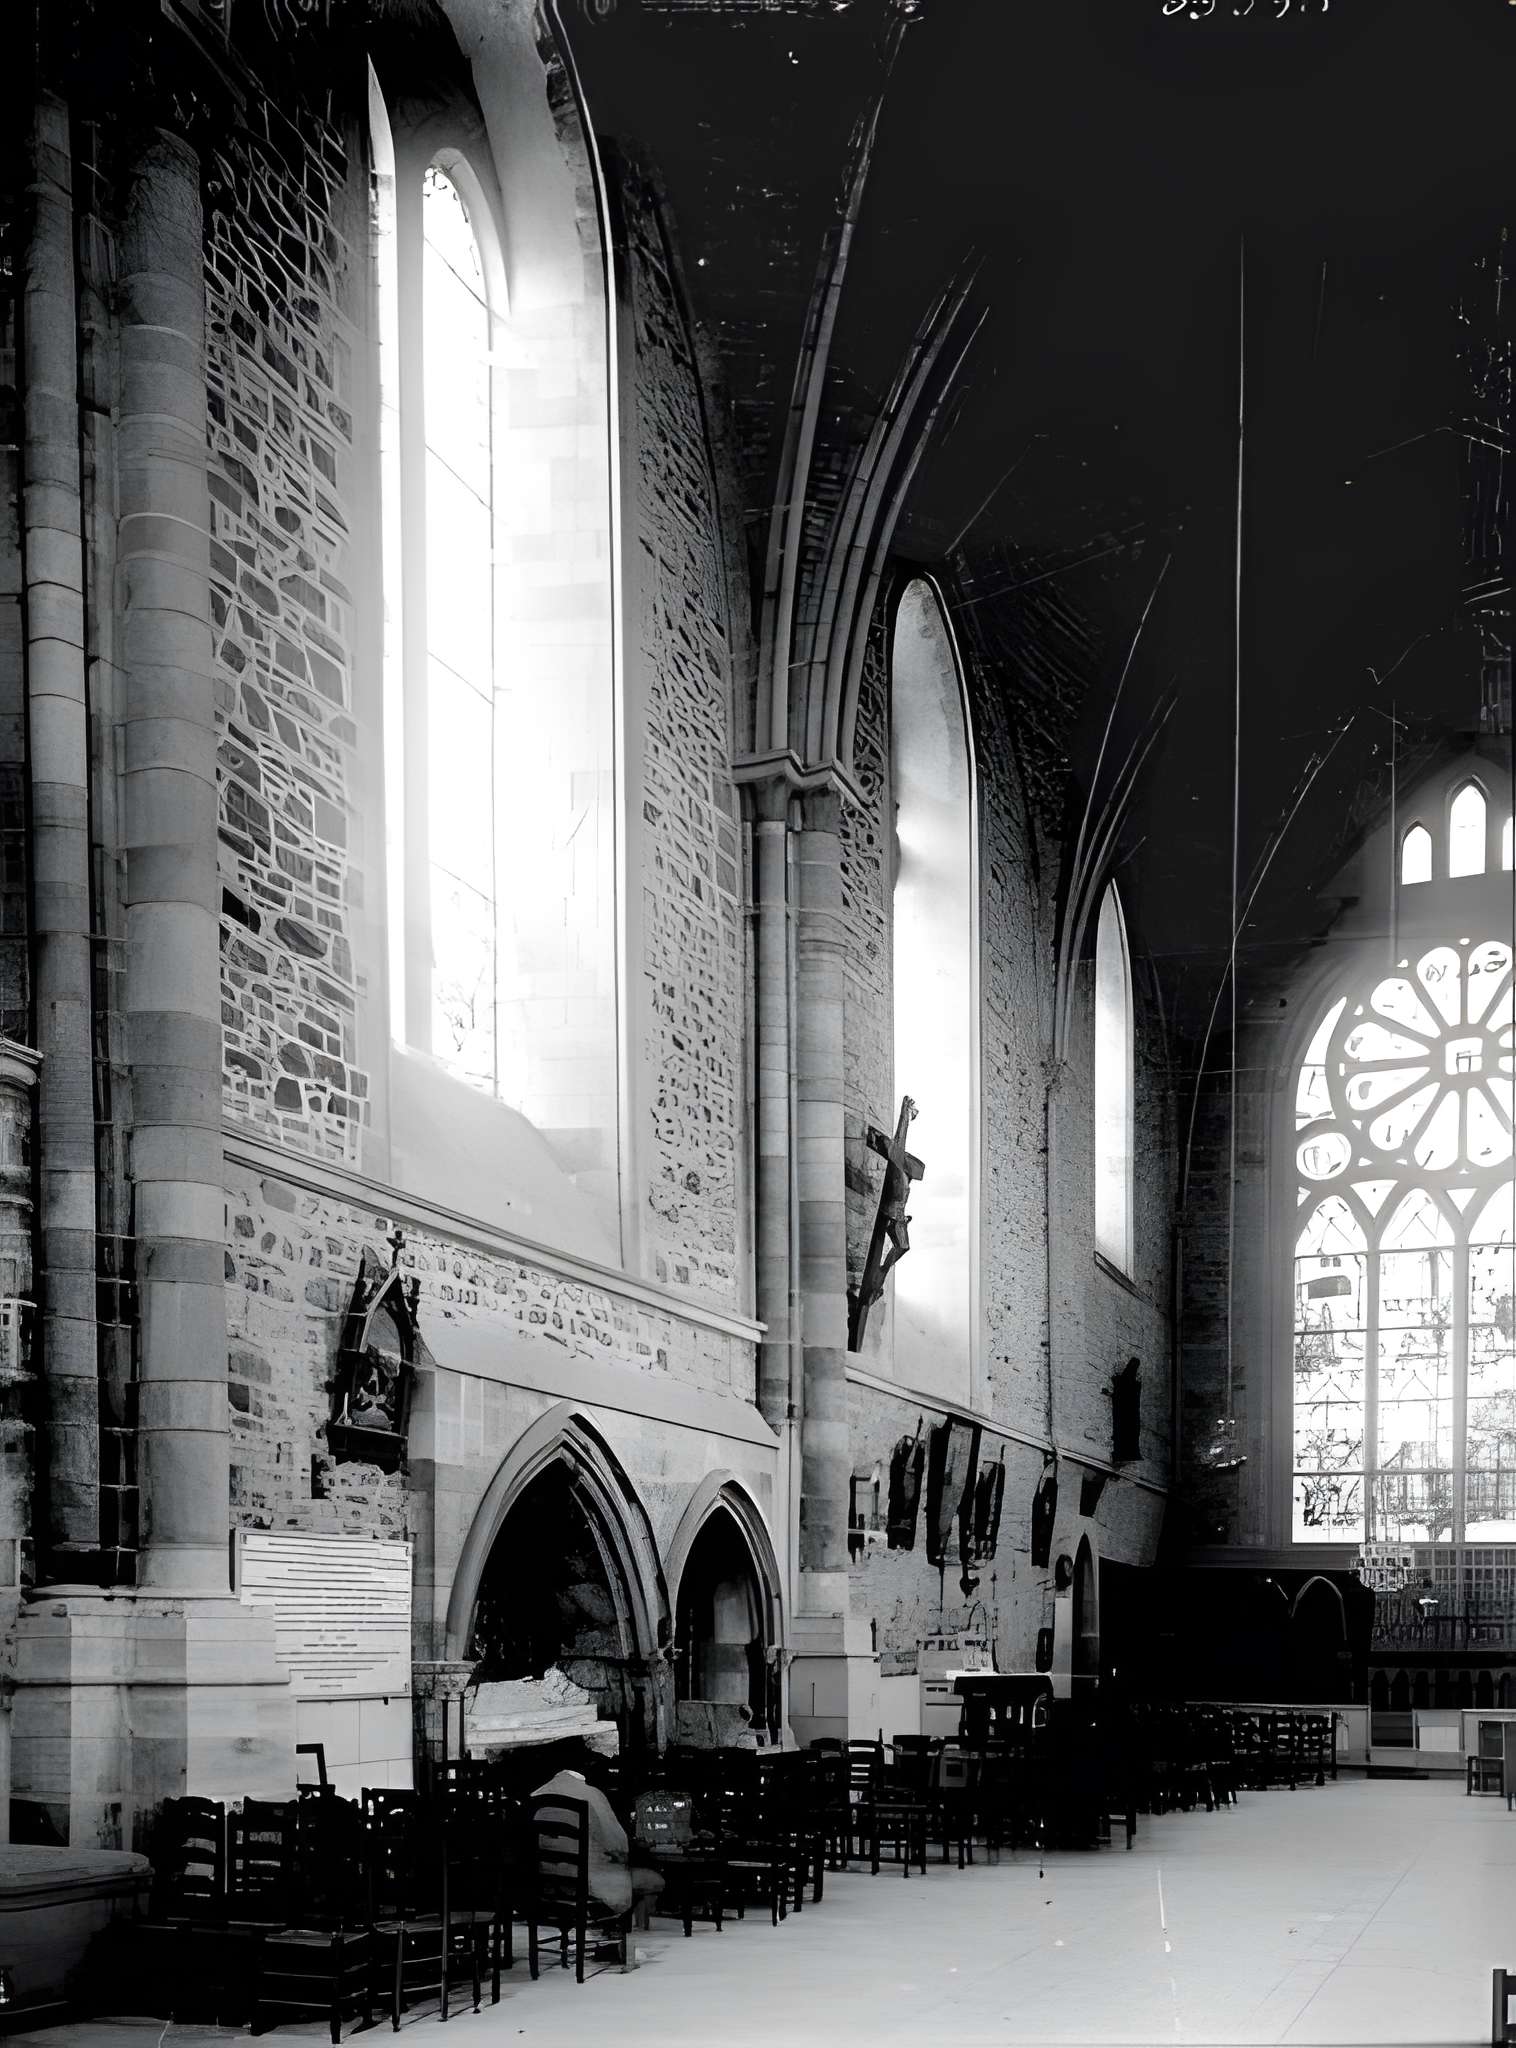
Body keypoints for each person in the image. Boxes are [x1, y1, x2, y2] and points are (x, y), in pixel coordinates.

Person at [531, 1766, 665, 1923]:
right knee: (653, 1880)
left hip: (545, 1881)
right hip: (588, 1883)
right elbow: (618, 1845)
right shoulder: (592, 1795)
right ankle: (617, 1924)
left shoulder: (536, 1796)